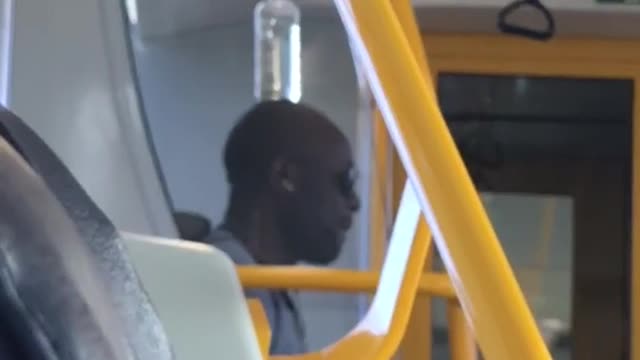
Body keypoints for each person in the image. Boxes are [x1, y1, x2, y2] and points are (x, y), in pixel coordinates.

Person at [206, 100, 360, 355]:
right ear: (286, 177)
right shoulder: (228, 286)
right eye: (343, 181)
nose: (354, 203)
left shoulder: (266, 283)